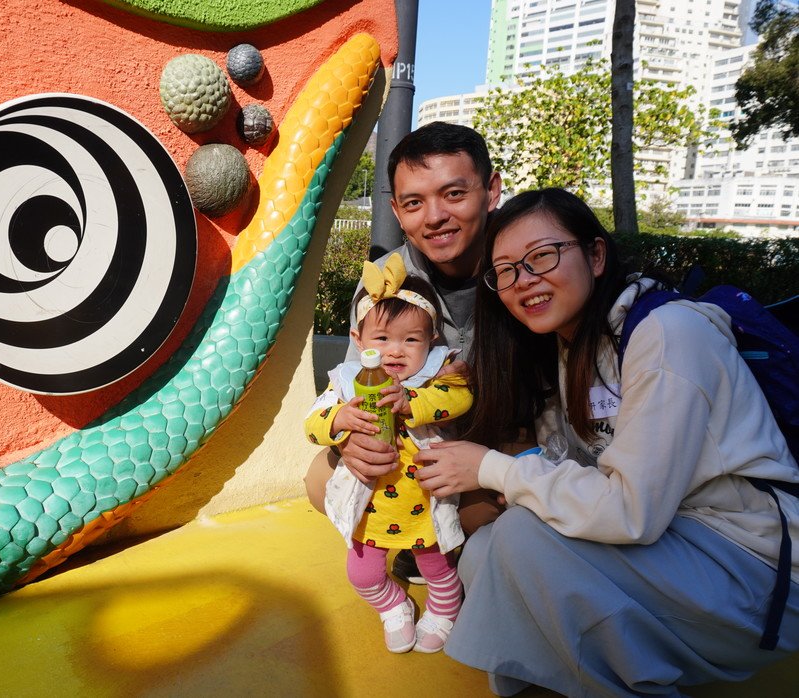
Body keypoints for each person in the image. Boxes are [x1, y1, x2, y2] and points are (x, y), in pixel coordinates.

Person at [412, 188, 799, 696]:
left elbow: (630, 511)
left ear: (596, 256)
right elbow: (581, 466)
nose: (523, 280)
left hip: (755, 571)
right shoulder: (573, 345)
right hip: (681, 542)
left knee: (521, 540)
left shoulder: (668, 333)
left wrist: (493, 469)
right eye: (505, 271)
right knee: (485, 551)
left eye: (541, 256)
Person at [304, 123, 510, 582]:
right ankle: (412, 546)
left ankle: (455, 553)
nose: (434, 216)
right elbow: (360, 381)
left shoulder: (520, 265)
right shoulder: (383, 282)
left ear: (491, 191)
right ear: (397, 211)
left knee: (484, 512)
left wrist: (500, 463)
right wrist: (351, 440)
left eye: (454, 194)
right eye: (414, 202)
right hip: (415, 441)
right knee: (322, 479)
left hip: (501, 436)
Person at [305, 252, 472, 653]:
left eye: (411, 340)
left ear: (431, 340)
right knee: (362, 575)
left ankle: (445, 608)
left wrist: (412, 401)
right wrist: (339, 419)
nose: (395, 352)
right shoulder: (347, 382)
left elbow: (458, 398)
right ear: (358, 341)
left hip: (423, 501)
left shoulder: (435, 374)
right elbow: (312, 424)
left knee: (438, 567)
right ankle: (394, 606)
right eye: (382, 339)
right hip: (369, 505)